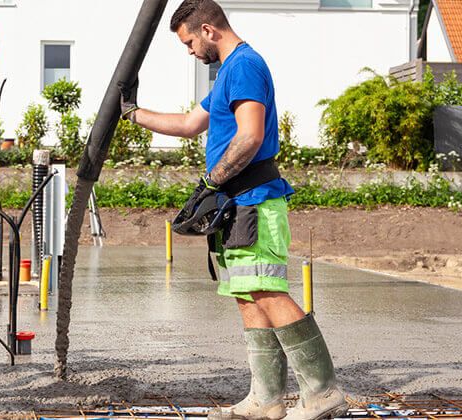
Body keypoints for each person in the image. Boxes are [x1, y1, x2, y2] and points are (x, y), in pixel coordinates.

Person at [120, 1, 348, 419]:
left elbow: (250, 135)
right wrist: (134, 114)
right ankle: (267, 400)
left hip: (255, 202)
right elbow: (190, 124)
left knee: (266, 290)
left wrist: (212, 181)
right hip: (236, 206)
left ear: (208, 30)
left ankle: (322, 392)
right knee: (246, 294)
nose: (189, 51)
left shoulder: (244, 65)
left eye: (189, 42)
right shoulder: (228, 72)